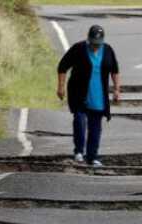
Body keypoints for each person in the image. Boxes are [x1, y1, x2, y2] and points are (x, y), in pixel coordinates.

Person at [57, 25, 121, 167]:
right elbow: (62, 66)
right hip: (79, 92)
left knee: (95, 126)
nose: (95, 47)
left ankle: (92, 157)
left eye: (98, 44)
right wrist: (60, 87)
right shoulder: (78, 48)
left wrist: (117, 90)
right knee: (79, 120)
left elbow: (115, 70)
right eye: (93, 44)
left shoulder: (108, 50)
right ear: (88, 40)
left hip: (98, 95)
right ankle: (79, 151)